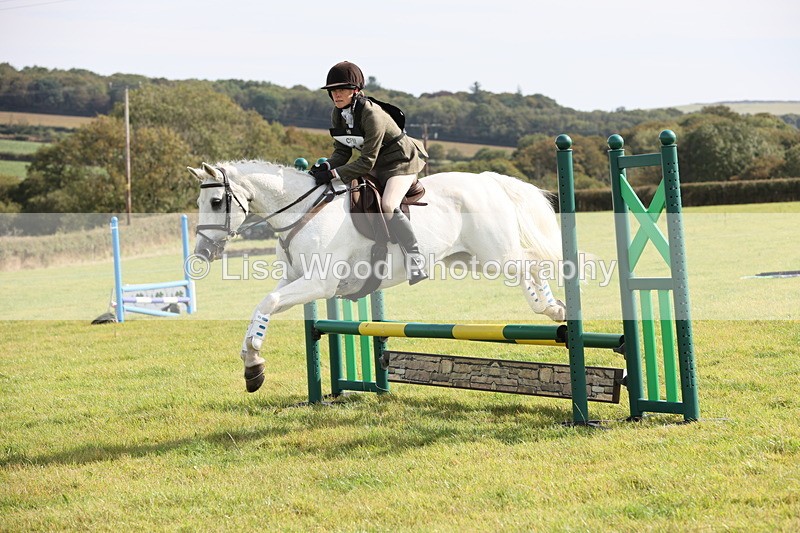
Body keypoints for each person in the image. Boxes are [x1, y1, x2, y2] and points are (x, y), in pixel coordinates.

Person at [309, 61, 429, 284]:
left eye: (342, 89)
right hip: (376, 164)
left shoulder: (371, 115)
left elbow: (365, 162)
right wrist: (325, 167)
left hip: (401, 162)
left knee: (388, 205)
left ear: (355, 90)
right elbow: (342, 153)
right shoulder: (338, 114)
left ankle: (415, 260)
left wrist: (334, 174)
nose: (336, 94)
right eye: (333, 90)